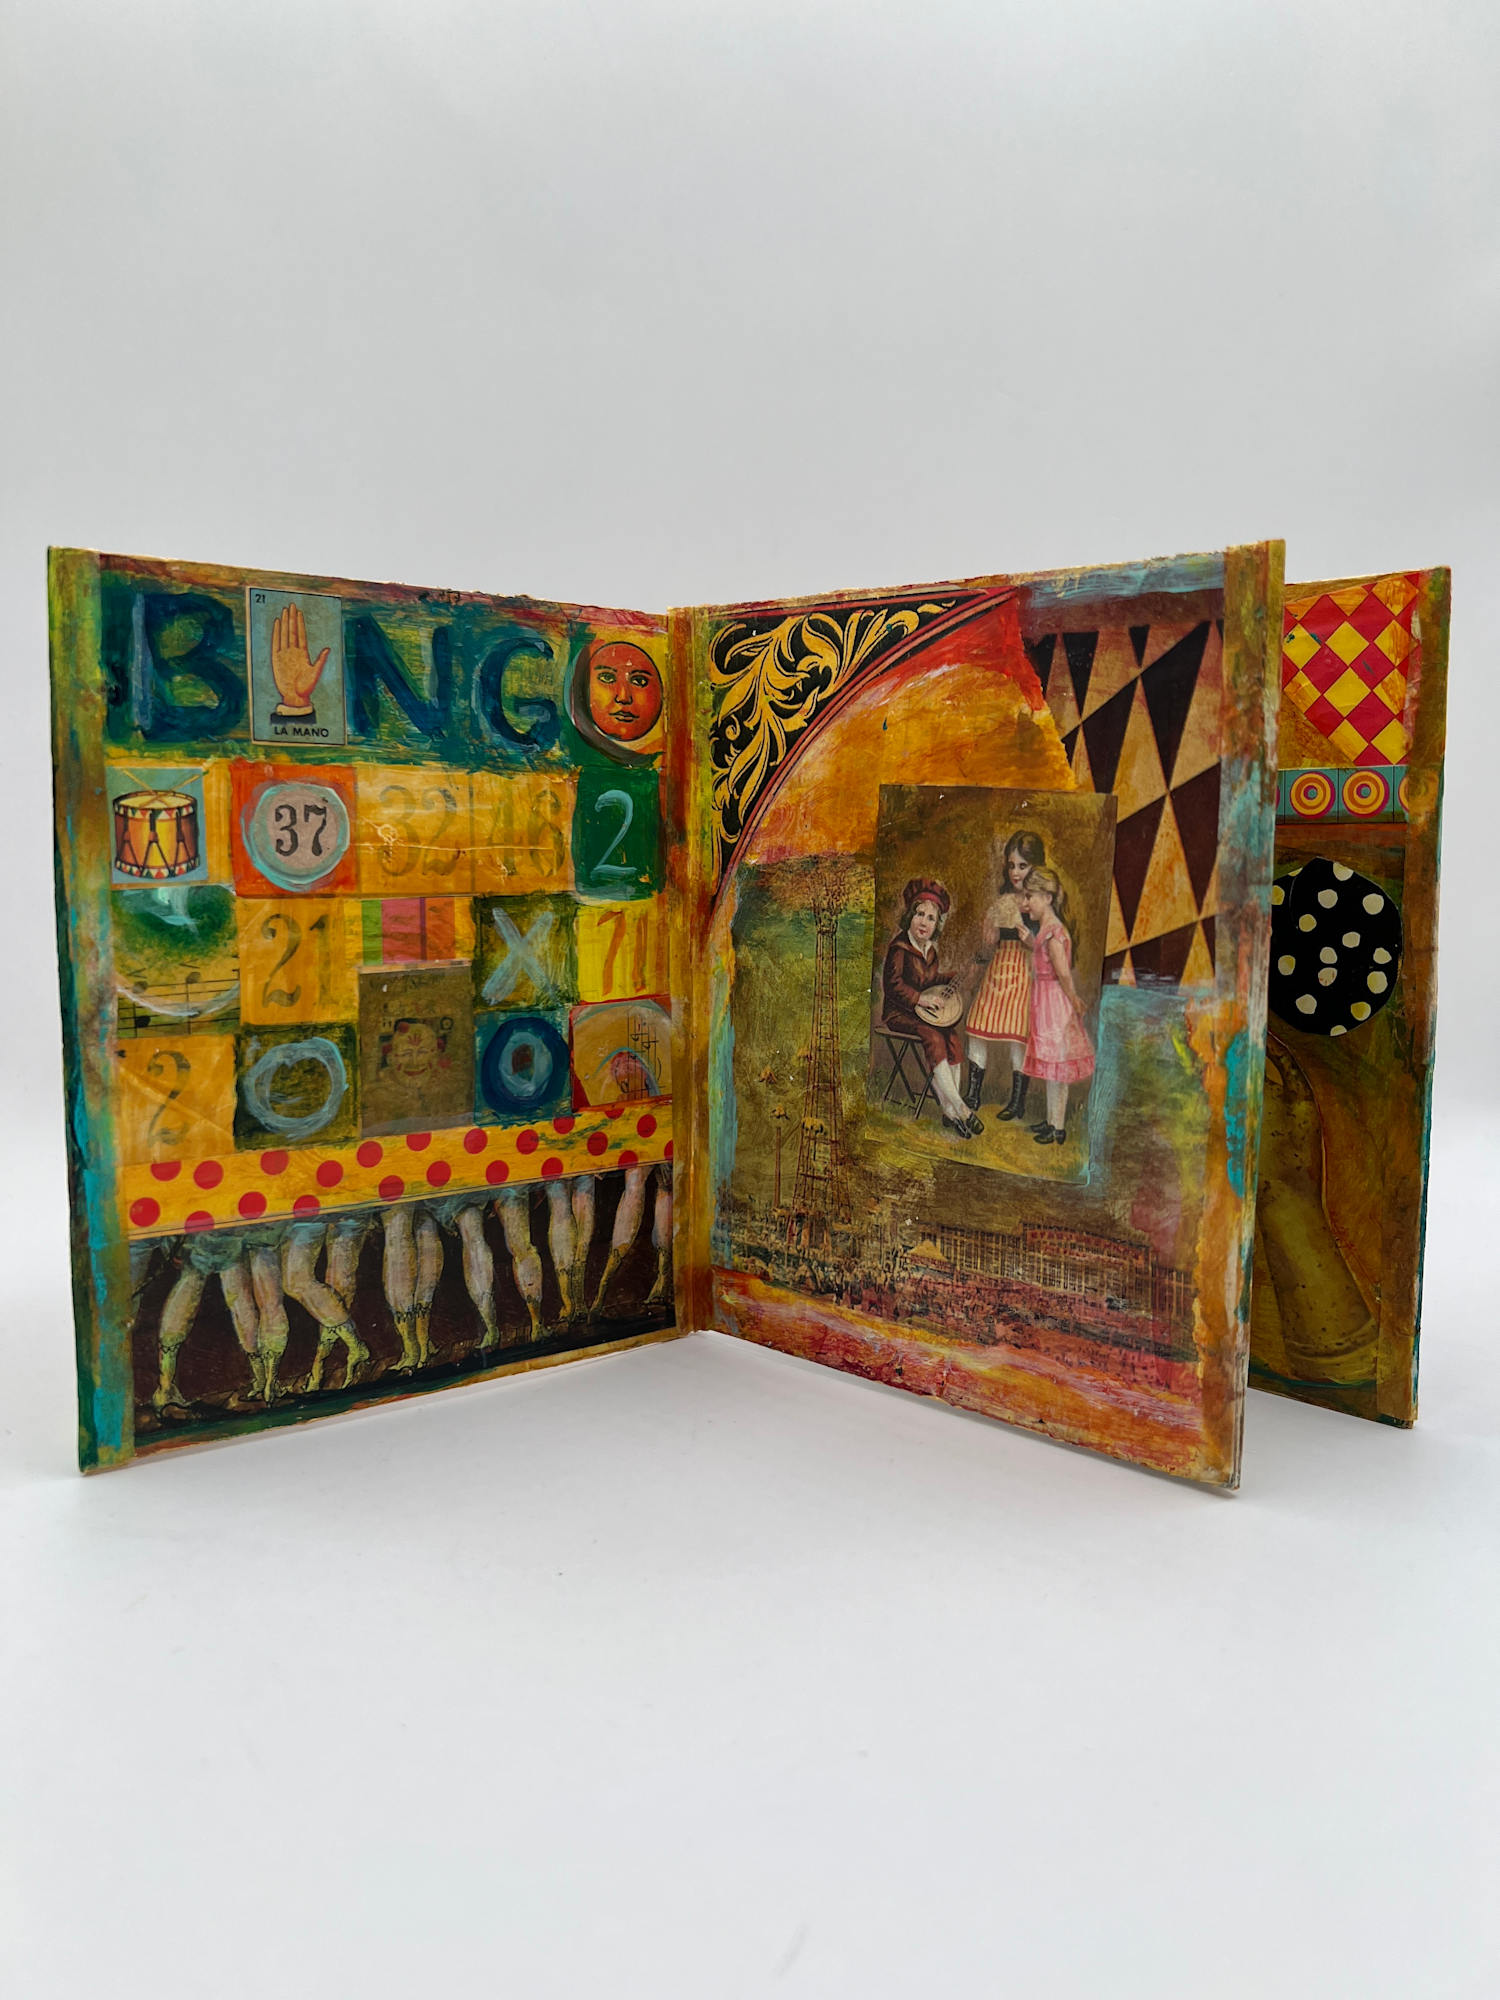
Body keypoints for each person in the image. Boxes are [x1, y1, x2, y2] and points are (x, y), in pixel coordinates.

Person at [880, 878, 980, 1139]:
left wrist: (952, 976)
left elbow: (930, 981)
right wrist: (920, 1000)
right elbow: (893, 986)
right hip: (900, 1013)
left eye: (931, 918)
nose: (924, 922)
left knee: (952, 1038)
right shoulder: (900, 948)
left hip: (922, 1014)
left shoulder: (930, 952)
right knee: (933, 1036)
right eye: (919, 914)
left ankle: (949, 1112)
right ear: (910, 917)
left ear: (937, 925)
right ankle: (961, 1108)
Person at [964, 829, 1045, 1122]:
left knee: (1017, 1037)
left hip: (1024, 972)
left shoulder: (1040, 901)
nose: (1015, 872)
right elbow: (988, 944)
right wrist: (990, 934)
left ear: (1035, 866)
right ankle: (973, 1093)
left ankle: (1017, 1101)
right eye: (1011, 865)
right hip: (998, 969)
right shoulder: (1002, 902)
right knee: (976, 1027)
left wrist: (1031, 941)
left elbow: (1051, 947)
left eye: (1022, 865)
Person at [1018, 867, 1095, 1145]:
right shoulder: (1044, 932)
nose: (1026, 903)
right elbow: (1045, 959)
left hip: (1054, 1006)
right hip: (1045, 1004)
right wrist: (1031, 942)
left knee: (1057, 1068)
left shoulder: (1054, 933)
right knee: (1051, 1068)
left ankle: (1058, 1128)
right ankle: (1052, 1121)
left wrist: (1074, 999)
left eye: (1030, 897)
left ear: (1048, 898)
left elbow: (1062, 973)